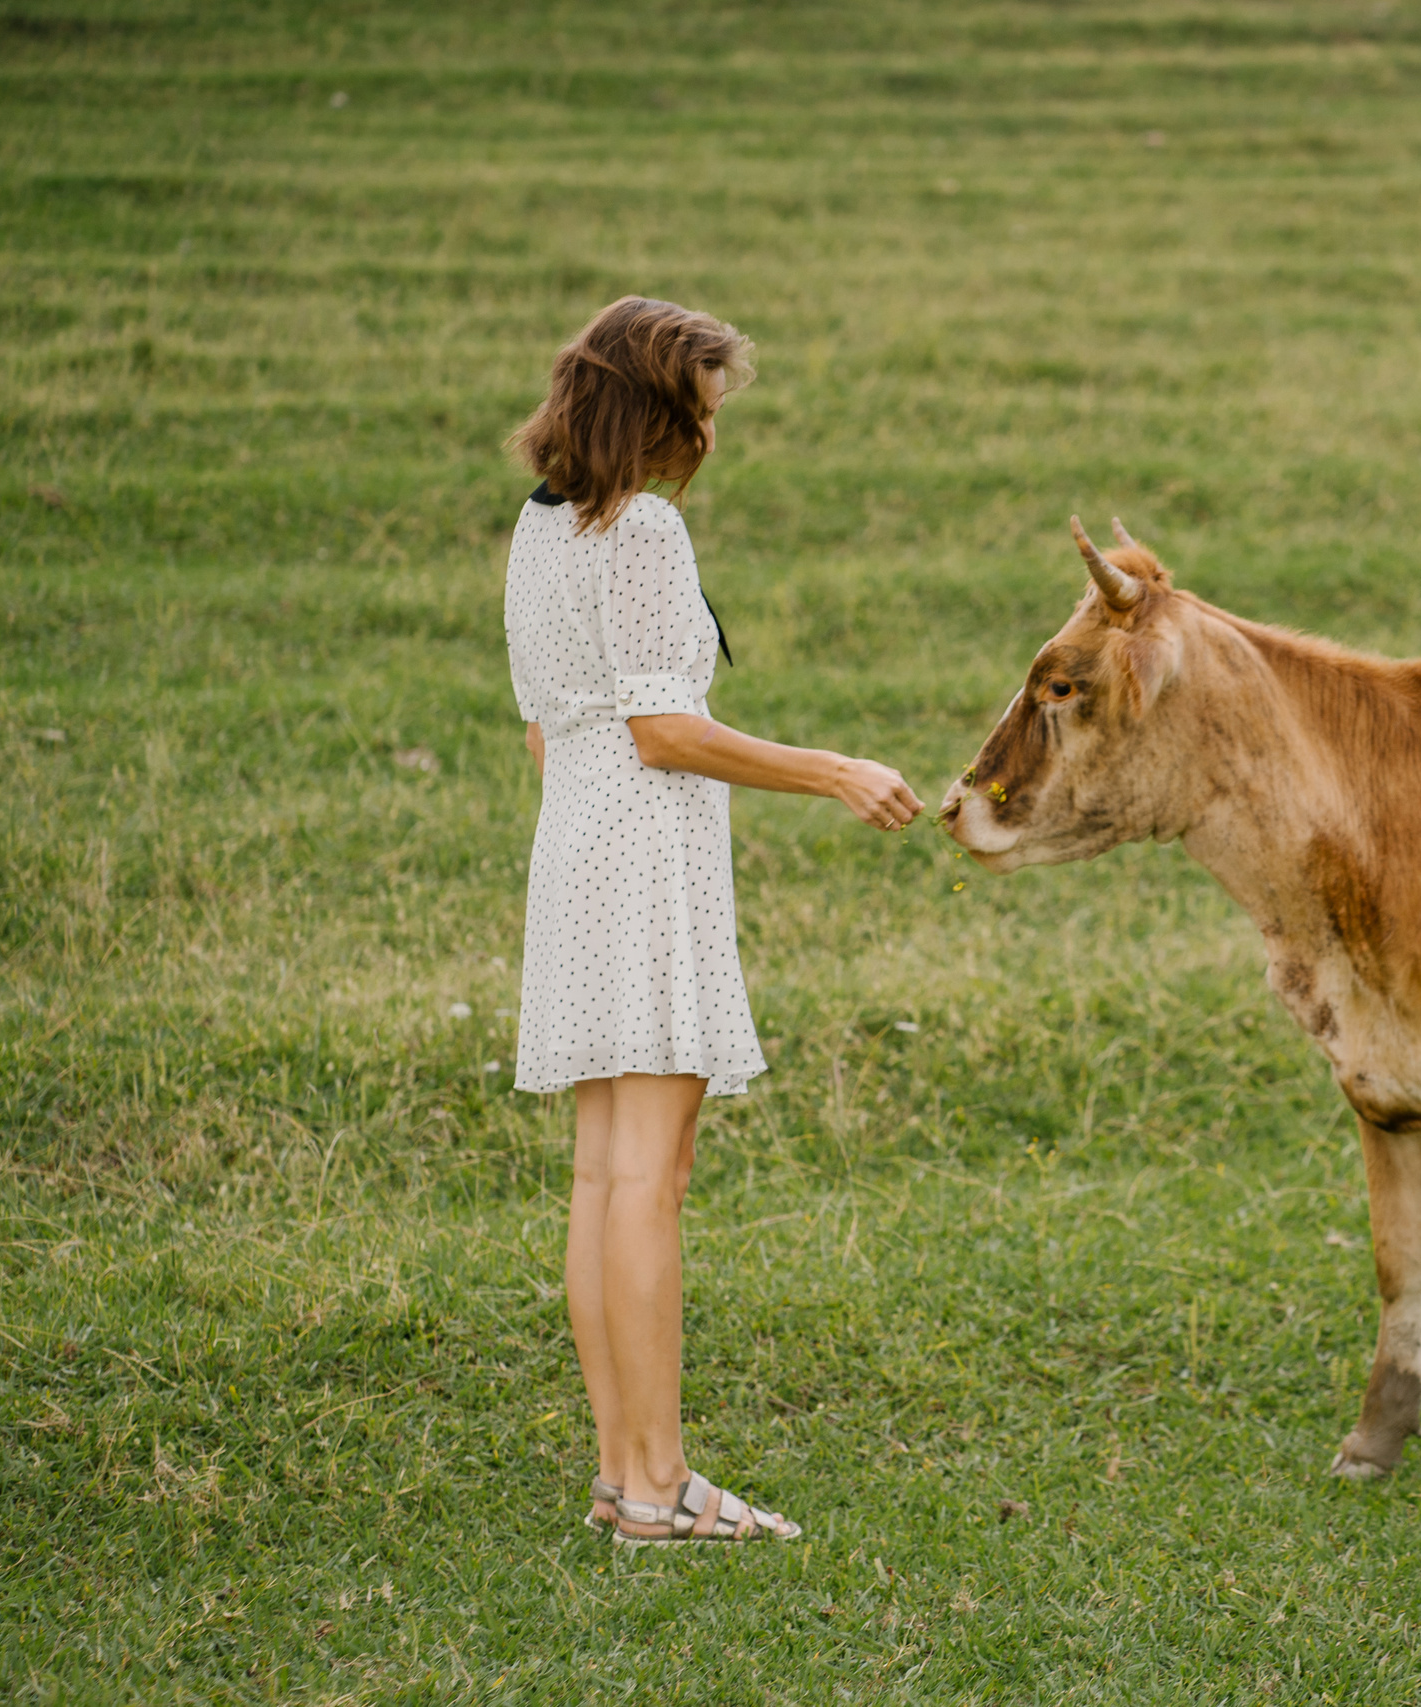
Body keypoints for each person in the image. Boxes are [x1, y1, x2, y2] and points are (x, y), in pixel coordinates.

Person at [502, 296, 922, 1545]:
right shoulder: (643, 537)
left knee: (605, 1176)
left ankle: (623, 1475)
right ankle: (659, 1484)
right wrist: (836, 770)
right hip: (642, 858)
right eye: (706, 404)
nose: (714, 432)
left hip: (574, 847)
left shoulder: (538, 533)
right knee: (651, 1181)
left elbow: (548, 726)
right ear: (661, 408)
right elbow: (662, 727)